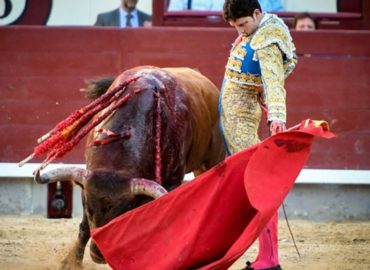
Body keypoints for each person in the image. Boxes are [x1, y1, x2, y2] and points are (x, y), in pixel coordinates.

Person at [220, 0, 297, 269]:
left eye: (243, 24)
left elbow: (274, 79)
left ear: (257, 13)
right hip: (235, 115)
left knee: (258, 183)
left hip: (241, 118)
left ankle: (269, 258)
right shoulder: (256, 30)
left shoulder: (267, 36)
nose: (240, 31)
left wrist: (277, 117)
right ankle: (267, 257)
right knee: (251, 183)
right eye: (236, 26)